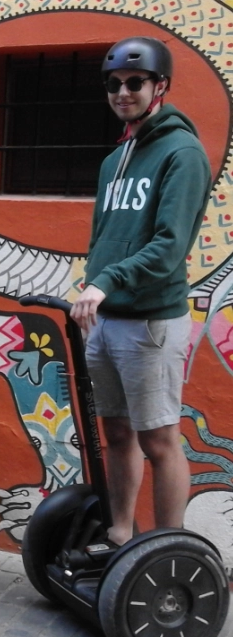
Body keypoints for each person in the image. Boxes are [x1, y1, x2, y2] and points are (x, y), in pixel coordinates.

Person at [70, 37, 212, 545]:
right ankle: (122, 536)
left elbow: (170, 246)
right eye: (114, 84)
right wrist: (94, 283)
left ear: (160, 86)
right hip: (107, 321)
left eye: (135, 82)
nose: (122, 92)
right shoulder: (116, 160)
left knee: (159, 439)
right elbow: (104, 240)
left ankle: (167, 551)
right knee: (118, 434)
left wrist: (104, 282)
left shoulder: (183, 153)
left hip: (151, 322)